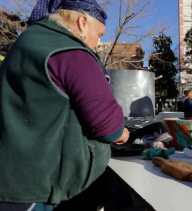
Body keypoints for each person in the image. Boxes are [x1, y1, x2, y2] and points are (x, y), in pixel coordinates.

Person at [0, 0, 130, 210]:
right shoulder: (71, 52)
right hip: (36, 187)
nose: (98, 43)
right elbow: (108, 125)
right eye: (100, 34)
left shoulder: (26, 42)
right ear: (82, 22)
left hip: (10, 177)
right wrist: (123, 133)